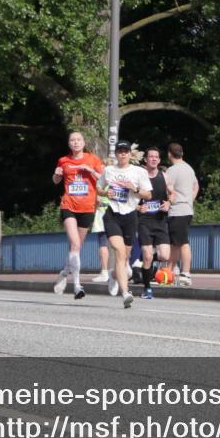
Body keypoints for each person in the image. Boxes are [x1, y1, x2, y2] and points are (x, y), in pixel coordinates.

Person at [52, 131, 104, 299]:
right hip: (68, 205)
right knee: (75, 243)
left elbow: (104, 179)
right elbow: (56, 181)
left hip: (87, 207)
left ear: (83, 142)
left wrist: (90, 170)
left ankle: (64, 272)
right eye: (72, 140)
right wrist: (57, 175)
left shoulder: (93, 159)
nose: (75, 142)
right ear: (69, 144)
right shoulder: (63, 160)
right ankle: (77, 285)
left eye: (78, 139)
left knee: (76, 247)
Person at [100, 141, 152, 307]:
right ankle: (125, 293)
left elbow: (148, 195)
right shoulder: (109, 170)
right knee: (120, 252)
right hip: (112, 215)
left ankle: (114, 275)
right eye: (120, 151)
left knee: (125, 257)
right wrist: (105, 192)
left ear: (130, 154)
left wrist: (134, 189)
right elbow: (99, 188)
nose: (122, 154)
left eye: (125, 151)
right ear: (116, 154)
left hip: (130, 216)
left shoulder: (139, 172)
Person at [137, 146, 173, 295]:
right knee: (147, 256)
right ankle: (147, 288)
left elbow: (173, 193)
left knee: (164, 256)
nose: (153, 159)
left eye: (156, 157)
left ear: (159, 160)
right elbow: (128, 198)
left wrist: (169, 202)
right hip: (144, 221)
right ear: (146, 159)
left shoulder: (164, 176)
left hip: (160, 220)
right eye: (151, 156)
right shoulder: (139, 176)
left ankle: (145, 259)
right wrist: (138, 208)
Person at [165, 143, 198, 287]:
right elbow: (196, 186)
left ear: (169, 154)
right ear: (182, 153)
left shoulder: (172, 170)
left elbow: (168, 189)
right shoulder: (189, 169)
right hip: (187, 209)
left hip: (177, 210)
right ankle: (169, 272)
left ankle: (185, 272)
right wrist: (189, 199)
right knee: (175, 243)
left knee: (182, 242)